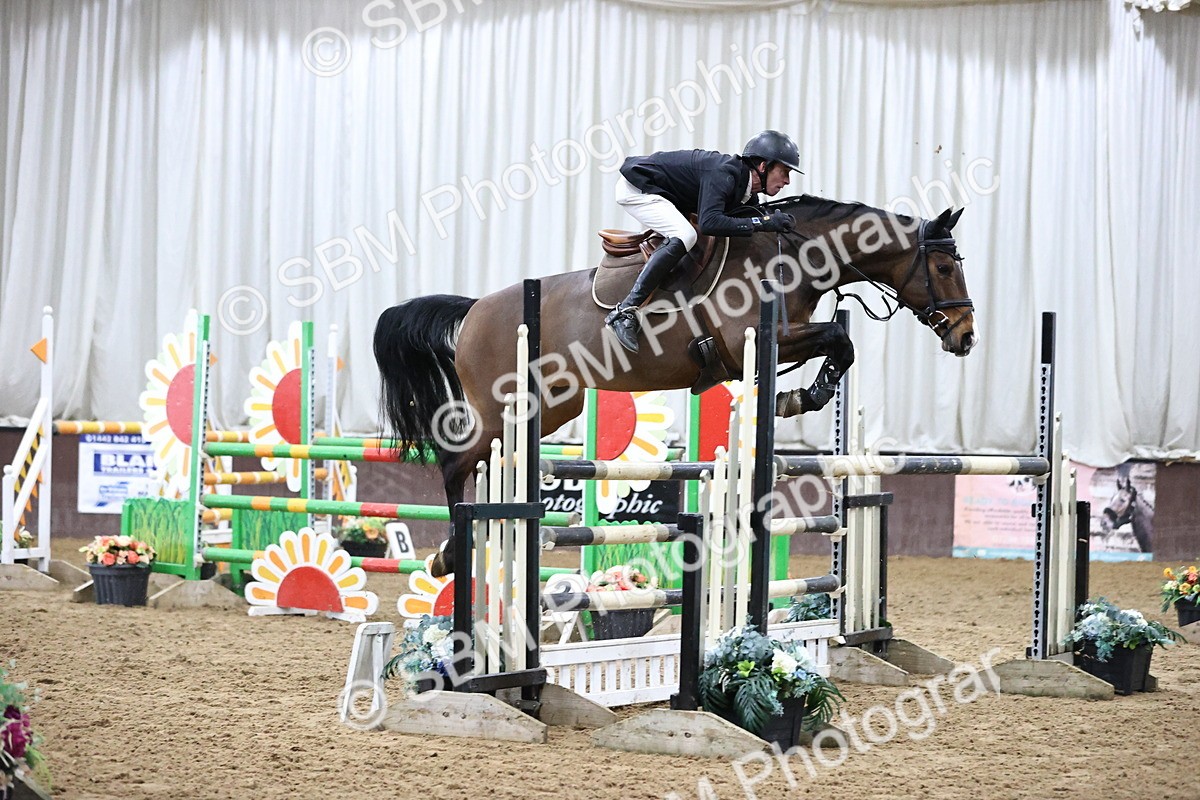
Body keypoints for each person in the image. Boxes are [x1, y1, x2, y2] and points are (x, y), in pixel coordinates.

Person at [604, 130, 802, 353]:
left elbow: (747, 219)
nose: (787, 181)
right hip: (638, 188)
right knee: (685, 235)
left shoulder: (745, 189)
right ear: (764, 166)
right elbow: (709, 223)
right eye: (784, 171)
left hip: (664, 192)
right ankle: (624, 311)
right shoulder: (724, 174)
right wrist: (763, 222)